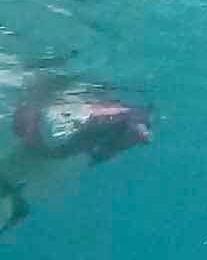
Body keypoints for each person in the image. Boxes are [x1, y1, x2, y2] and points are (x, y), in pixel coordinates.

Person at [1, 78, 151, 236]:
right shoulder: (109, 121)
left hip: (52, 142)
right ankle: (14, 203)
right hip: (52, 145)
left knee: (18, 163)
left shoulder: (55, 123)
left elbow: (121, 136)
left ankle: (14, 203)